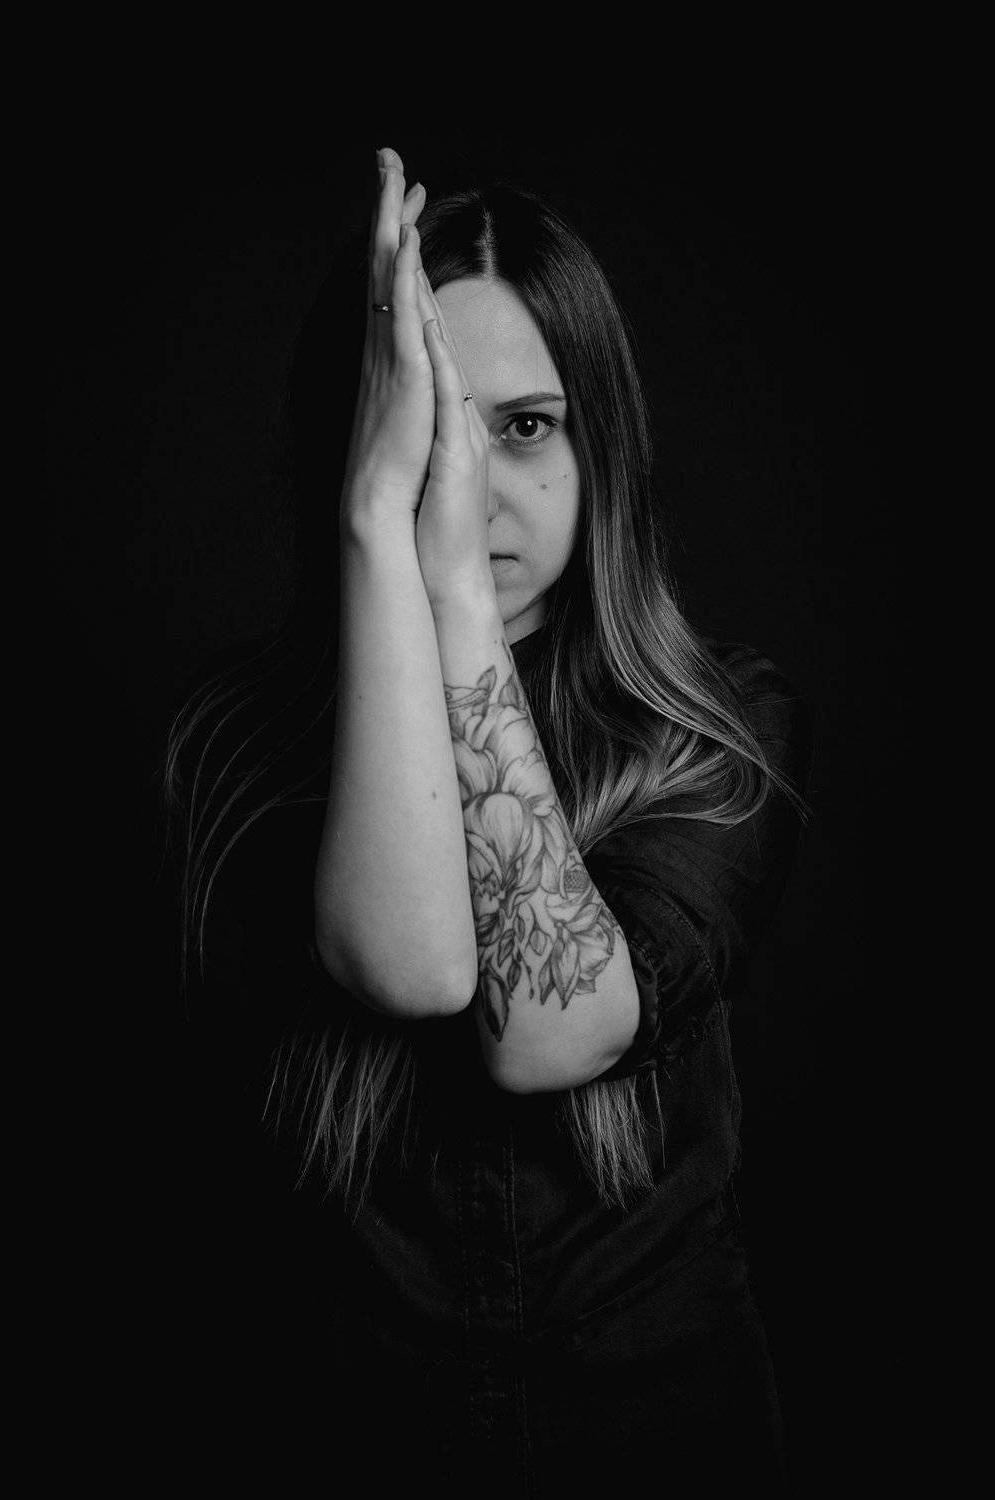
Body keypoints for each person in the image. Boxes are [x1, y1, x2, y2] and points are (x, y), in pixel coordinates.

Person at [166, 145, 810, 1495]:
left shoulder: (714, 728)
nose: (468, 484)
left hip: (658, 1440)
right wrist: (376, 527)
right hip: (347, 1439)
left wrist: (454, 589)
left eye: (523, 427)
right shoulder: (238, 741)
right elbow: (414, 968)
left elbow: (550, 1035)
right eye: (428, 427)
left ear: (600, 442)